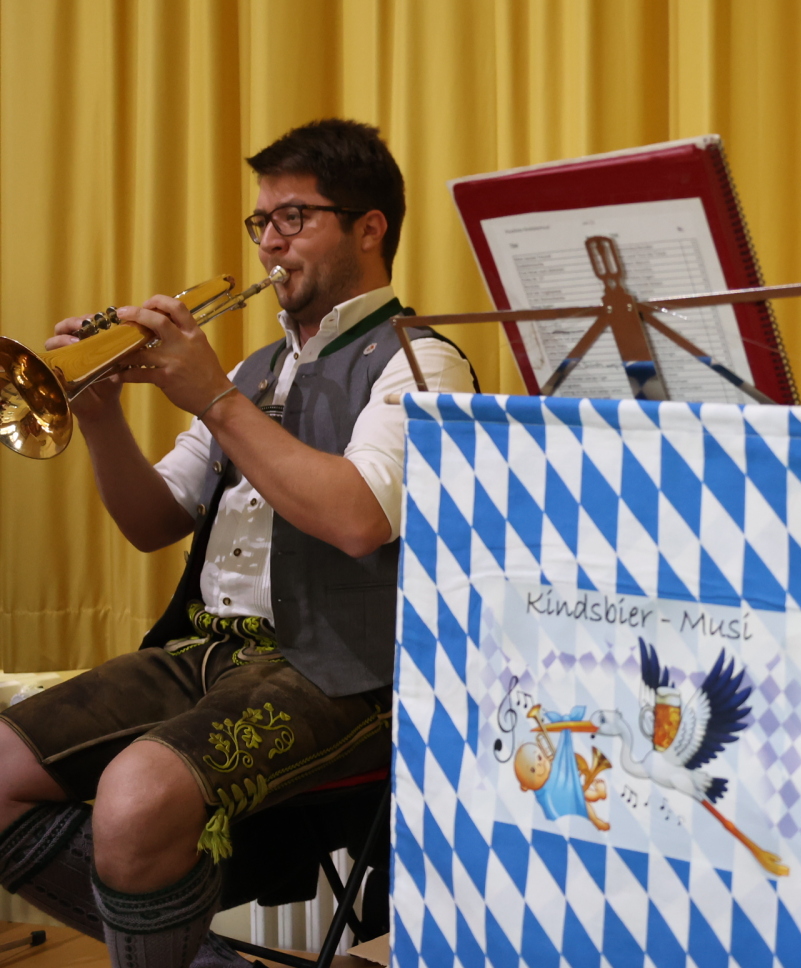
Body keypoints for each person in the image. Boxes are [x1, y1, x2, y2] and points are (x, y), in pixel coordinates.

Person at [0, 118, 474, 968]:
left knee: (136, 795)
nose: (269, 244)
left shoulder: (418, 360)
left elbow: (360, 518)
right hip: (207, 648)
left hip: (344, 667)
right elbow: (152, 522)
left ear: (370, 228)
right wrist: (99, 417)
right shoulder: (254, 371)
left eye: (294, 218)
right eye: (262, 221)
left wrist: (215, 399)